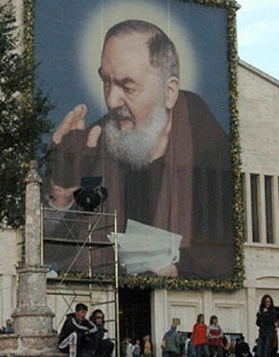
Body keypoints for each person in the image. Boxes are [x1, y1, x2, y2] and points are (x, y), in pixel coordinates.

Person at [46, 19, 234, 279]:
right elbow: (50, 252)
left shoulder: (212, 150)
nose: (111, 100)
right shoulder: (93, 143)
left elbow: (227, 249)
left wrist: (179, 268)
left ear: (169, 92)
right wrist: (64, 191)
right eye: (107, 83)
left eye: (128, 86)